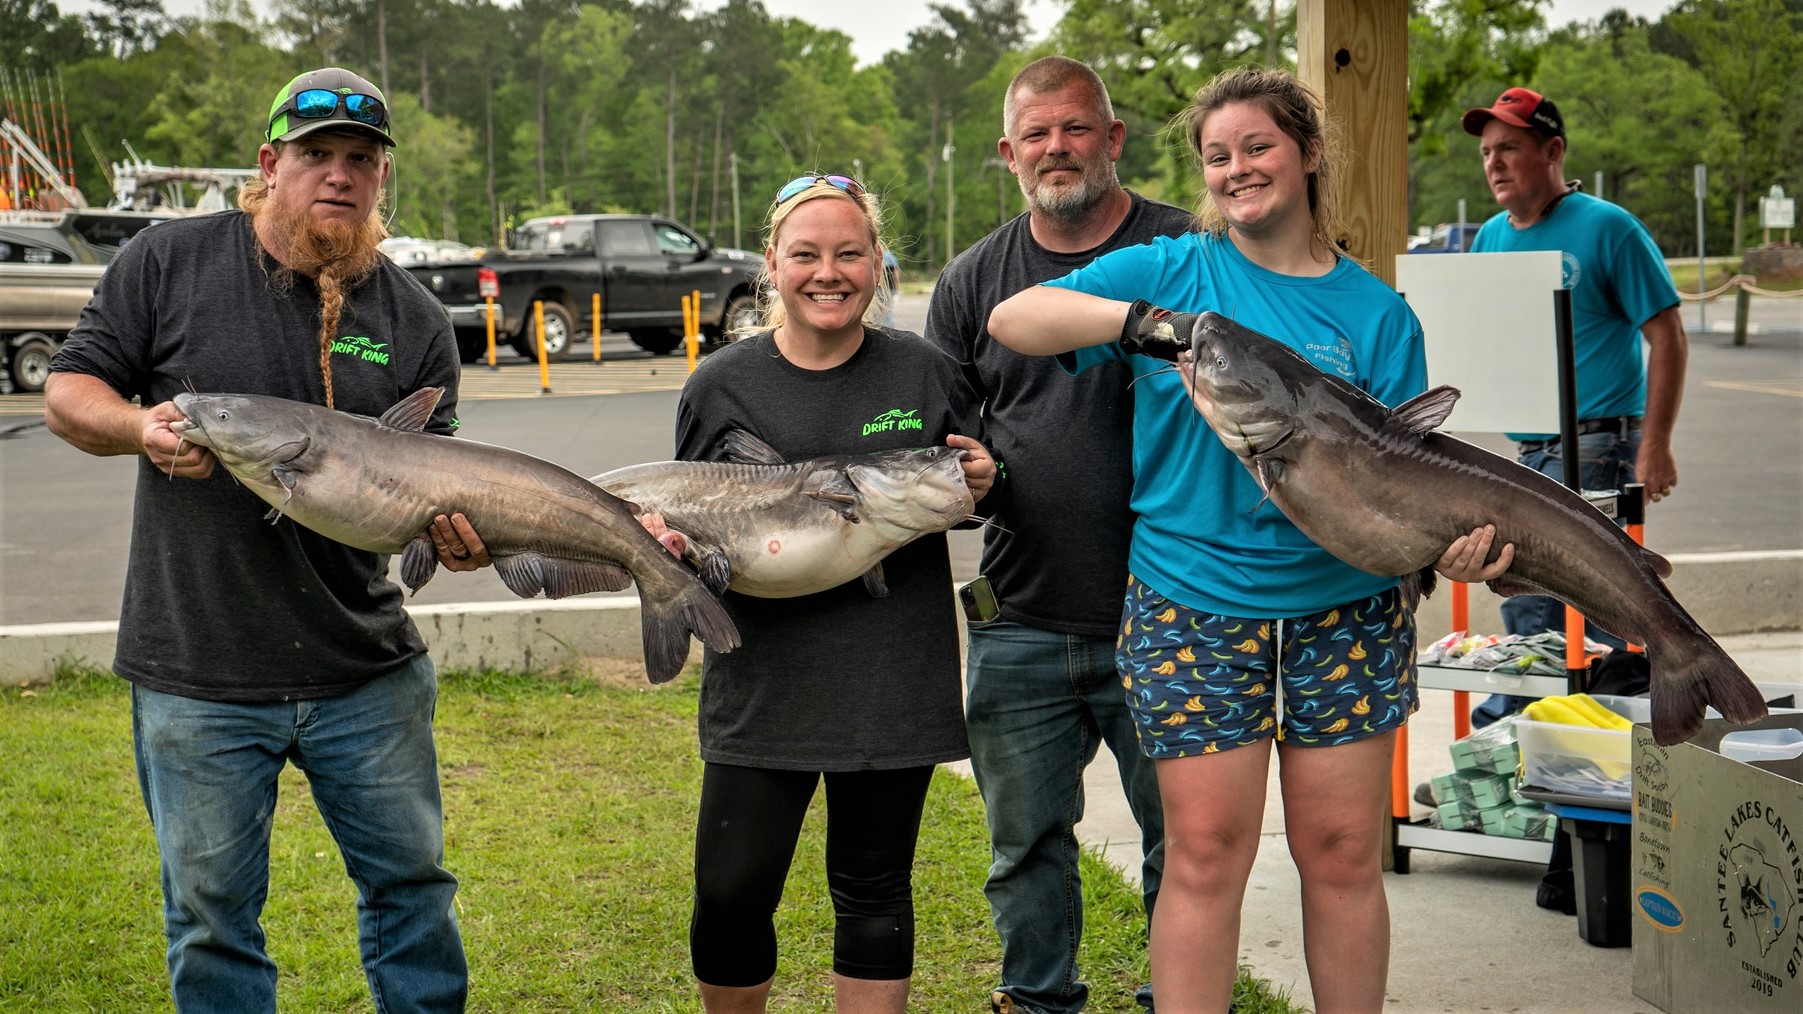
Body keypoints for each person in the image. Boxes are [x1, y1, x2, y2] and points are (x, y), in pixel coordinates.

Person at [986, 66, 1509, 1014]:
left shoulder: (1377, 313)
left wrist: (1450, 548)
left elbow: (1406, 484)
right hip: (1191, 606)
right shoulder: (1175, 266)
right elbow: (1015, 319)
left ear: (1308, 153)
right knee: (1203, 855)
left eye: (1257, 147)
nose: (1236, 169)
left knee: (1343, 853)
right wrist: (1146, 326)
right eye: (1216, 156)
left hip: (1342, 609)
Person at [43, 67, 484, 1013]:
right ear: (269, 163)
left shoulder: (411, 317)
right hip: (197, 669)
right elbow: (69, 393)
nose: (339, 174)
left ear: (379, 178)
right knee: (212, 919)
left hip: (365, 669)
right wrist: (141, 429)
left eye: (360, 160)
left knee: (413, 895)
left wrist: (458, 540)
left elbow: (436, 480)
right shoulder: (167, 264)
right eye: (317, 154)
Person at [672, 172, 997, 1013]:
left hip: (891, 679)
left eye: (850, 253)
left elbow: (971, 490)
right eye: (806, 254)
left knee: (874, 893)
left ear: (878, 263)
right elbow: (689, 526)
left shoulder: (925, 373)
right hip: (761, 680)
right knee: (731, 894)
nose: (829, 271)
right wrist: (673, 547)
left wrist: (987, 483)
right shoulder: (720, 386)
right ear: (771, 266)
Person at [923, 55, 1191, 1014]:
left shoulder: (1187, 249)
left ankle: (1183, 999)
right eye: (1035, 135)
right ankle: (1036, 1002)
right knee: (1023, 844)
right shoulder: (969, 282)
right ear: (1007, 153)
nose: (1056, 149)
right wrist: (972, 481)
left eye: (1075, 128)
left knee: (1187, 847)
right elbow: (942, 444)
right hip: (1020, 615)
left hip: (1173, 615)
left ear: (1113, 139)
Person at [1461, 86, 1687, 725]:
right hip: (1528, 449)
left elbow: (1666, 334)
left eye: (1510, 148)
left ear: (1553, 150)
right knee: (1547, 602)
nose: (1495, 164)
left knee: (1565, 602)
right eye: (1486, 152)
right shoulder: (1490, 239)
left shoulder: (1608, 227)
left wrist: (1656, 442)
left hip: (1598, 442)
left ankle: (1526, 748)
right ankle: (1552, 750)